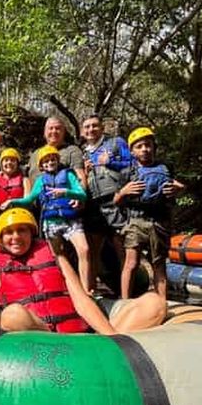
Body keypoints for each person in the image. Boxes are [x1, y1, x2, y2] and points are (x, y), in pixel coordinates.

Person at [0, 208, 165, 334]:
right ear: (0, 241)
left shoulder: (57, 258)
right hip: (44, 338)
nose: (15, 237)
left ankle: (109, 351)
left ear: (32, 233)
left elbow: (81, 300)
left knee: (154, 303)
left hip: (80, 335)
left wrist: (110, 337)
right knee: (12, 315)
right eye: (8, 233)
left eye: (22, 230)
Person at [3, 145, 92, 293]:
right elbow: (29, 199)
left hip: (71, 220)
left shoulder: (68, 175)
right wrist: (12, 202)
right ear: (42, 166)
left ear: (57, 160)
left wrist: (66, 192)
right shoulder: (40, 180)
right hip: (51, 223)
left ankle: (86, 289)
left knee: (84, 249)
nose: (50, 163)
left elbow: (82, 195)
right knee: (58, 256)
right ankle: (67, 289)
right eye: (46, 161)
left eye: (52, 159)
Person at [114, 127, 185, 299]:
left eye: (148, 145)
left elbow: (179, 186)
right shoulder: (127, 172)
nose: (144, 149)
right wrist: (123, 192)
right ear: (132, 151)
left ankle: (162, 303)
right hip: (135, 220)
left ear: (154, 147)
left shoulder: (165, 167)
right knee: (131, 263)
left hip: (159, 221)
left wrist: (179, 189)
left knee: (159, 264)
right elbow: (116, 200)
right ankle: (125, 302)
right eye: (139, 146)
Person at [81, 114, 132, 290]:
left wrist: (111, 162)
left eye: (94, 125)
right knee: (93, 249)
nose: (91, 129)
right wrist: (85, 172)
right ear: (82, 131)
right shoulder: (83, 152)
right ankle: (91, 291)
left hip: (116, 200)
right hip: (93, 204)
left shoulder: (116, 143)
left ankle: (127, 294)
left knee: (122, 247)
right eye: (87, 127)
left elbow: (132, 164)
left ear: (102, 128)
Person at [26, 117, 86, 186]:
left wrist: (80, 191)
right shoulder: (35, 154)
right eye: (50, 128)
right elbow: (27, 180)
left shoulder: (72, 150)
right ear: (44, 132)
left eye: (58, 128)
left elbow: (80, 177)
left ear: (63, 132)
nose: (54, 131)